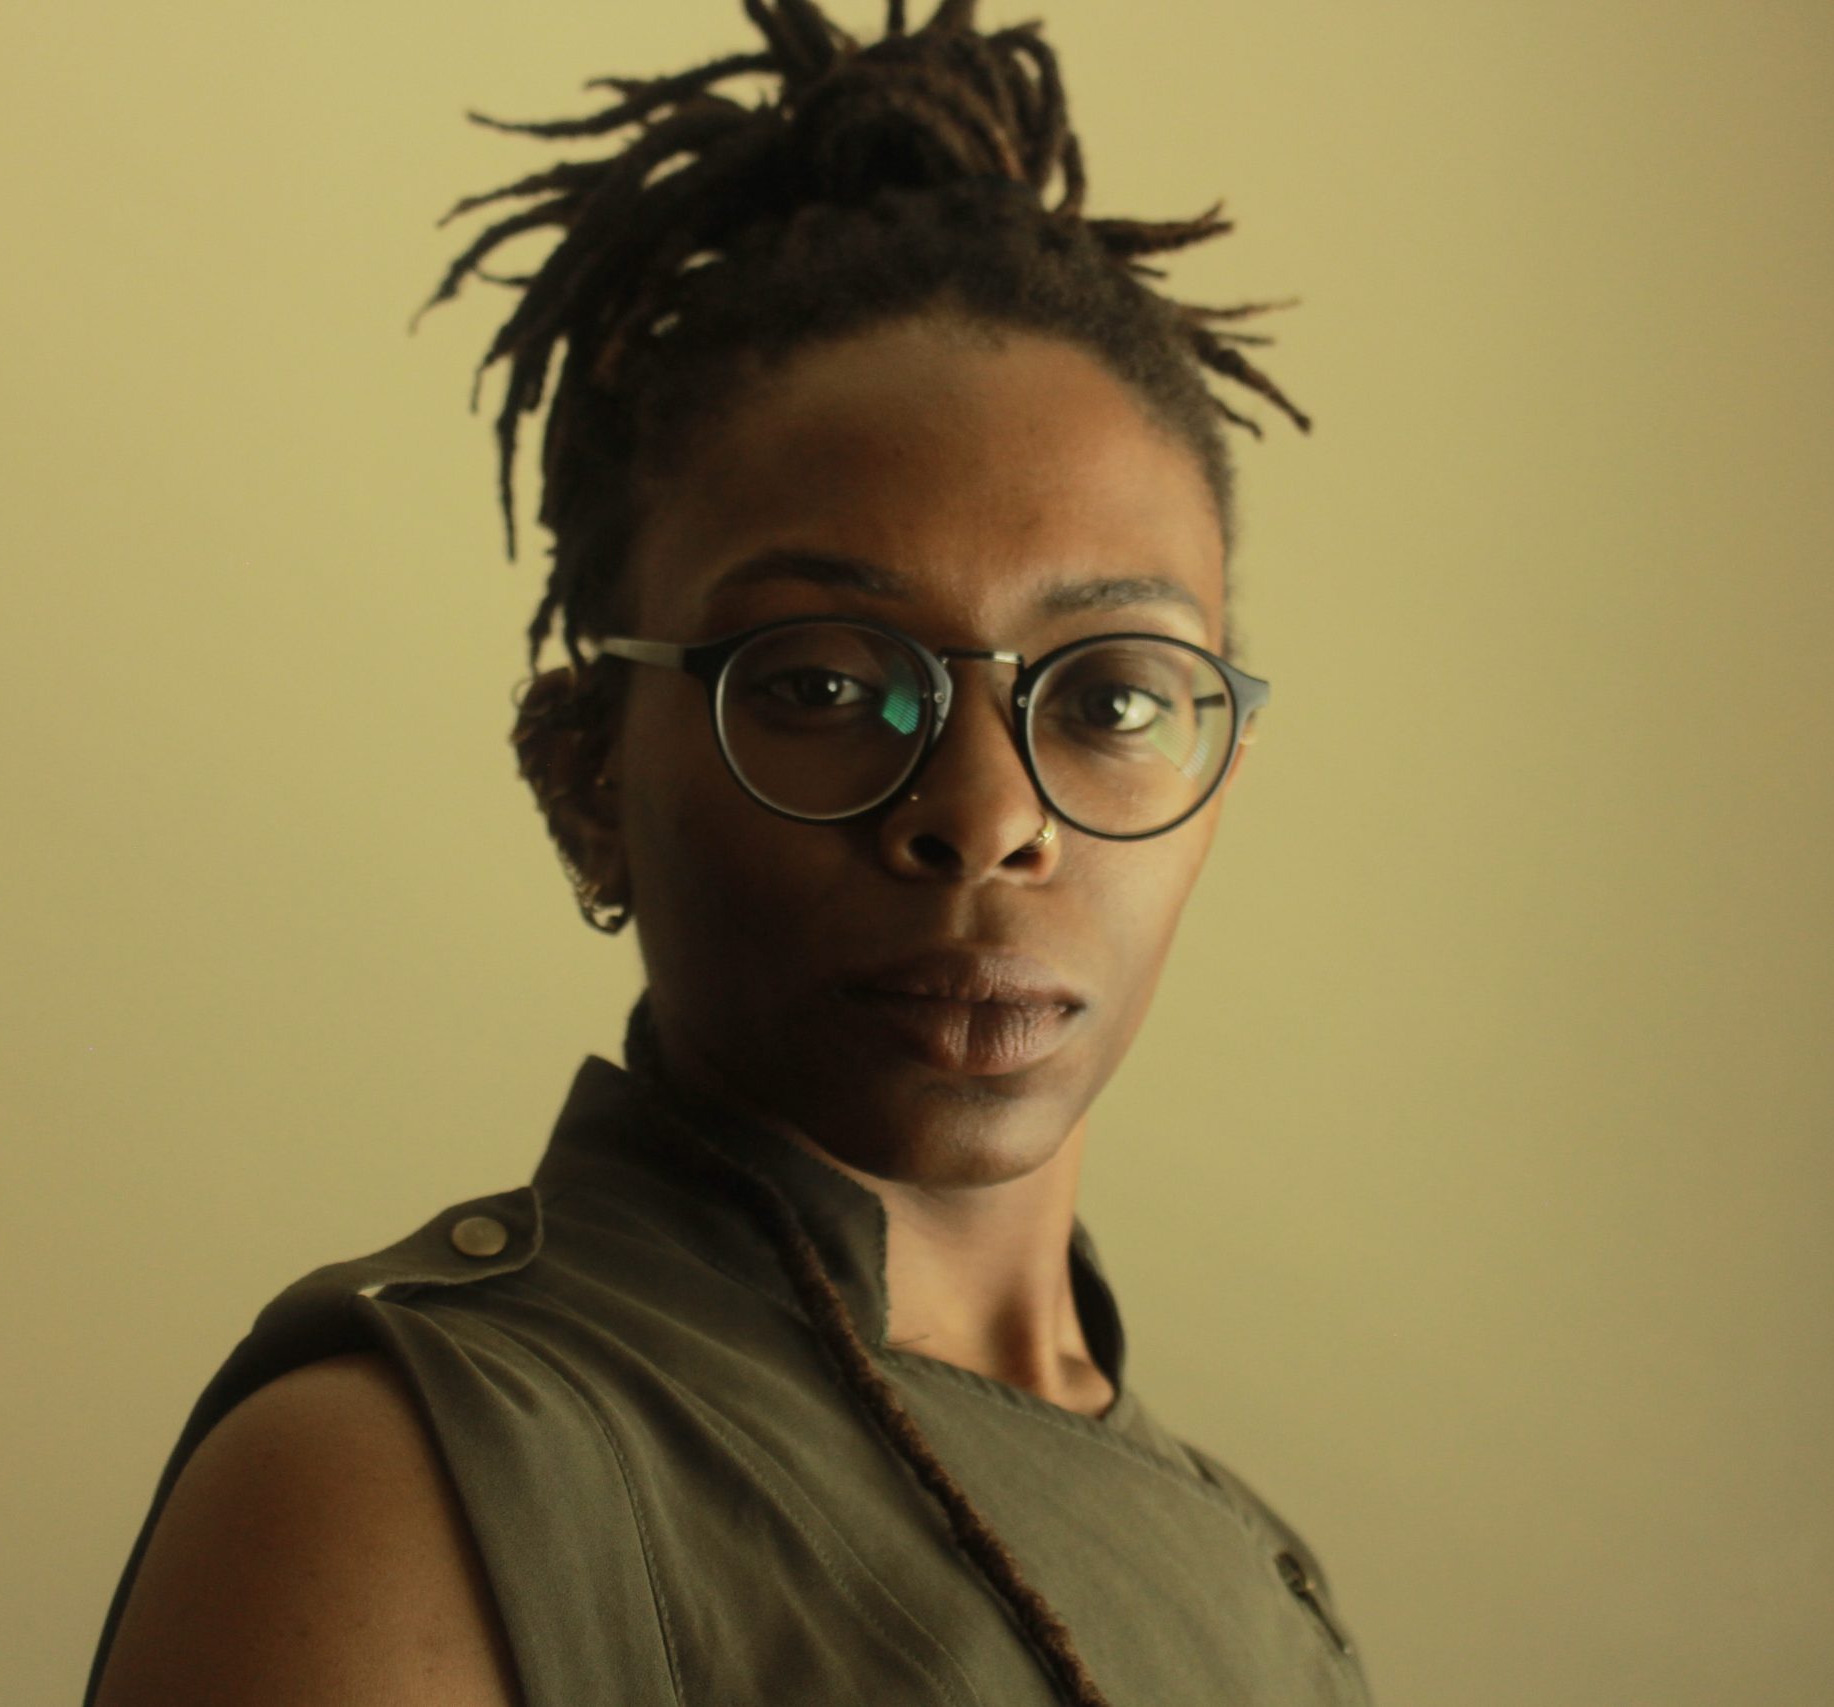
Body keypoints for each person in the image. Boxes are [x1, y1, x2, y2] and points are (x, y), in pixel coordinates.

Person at [85, 3, 1369, 1702]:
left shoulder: (1249, 1566)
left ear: (1221, 774)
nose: (985, 815)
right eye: (829, 682)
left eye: (1114, 699)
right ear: (586, 776)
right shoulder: (415, 1475)